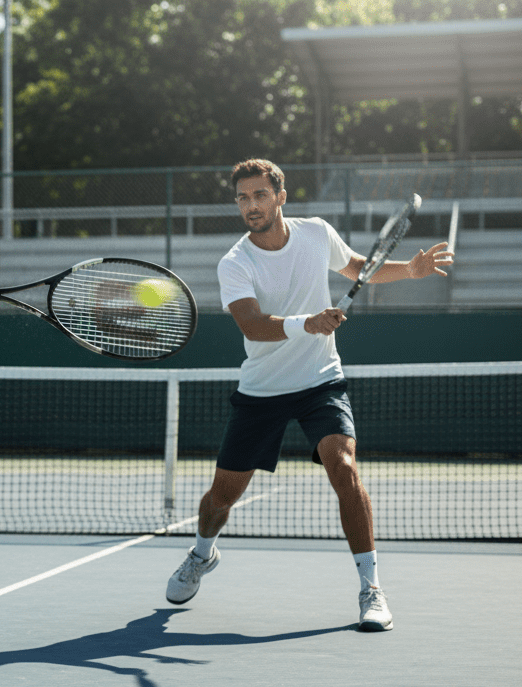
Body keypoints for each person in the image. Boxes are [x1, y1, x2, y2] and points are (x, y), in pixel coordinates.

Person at [164, 158, 452, 631]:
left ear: (280, 197)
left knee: (344, 468)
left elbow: (362, 267)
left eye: (259, 195)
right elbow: (253, 326)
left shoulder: (316, 233)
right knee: (220, 498)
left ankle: (371, 588)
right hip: (262, 390)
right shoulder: (235, 263)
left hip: (320, 380)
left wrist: (410, 270)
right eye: (242, 197)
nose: (251, 205)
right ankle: (201, 553)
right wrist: (307, 323)